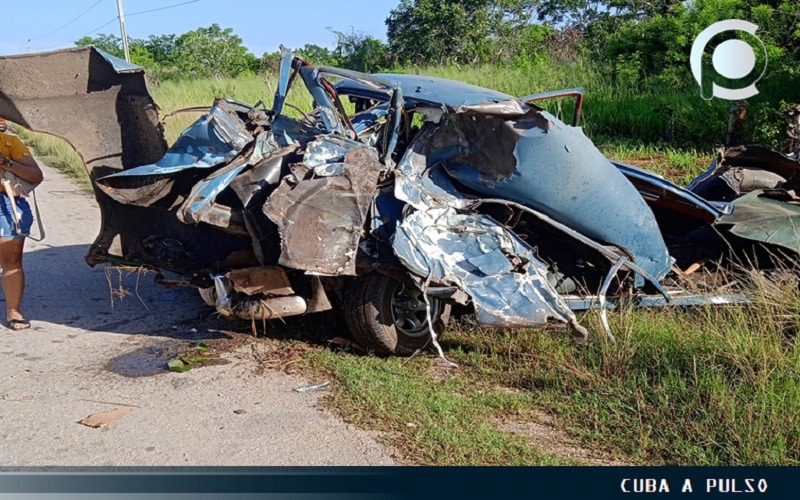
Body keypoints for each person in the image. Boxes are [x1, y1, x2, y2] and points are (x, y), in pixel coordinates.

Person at [0, 118, 44, 330]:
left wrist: (7, 163)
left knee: (11, 260)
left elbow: (36, 175)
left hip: (6, 203)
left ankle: (13, 310)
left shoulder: (10, 143)